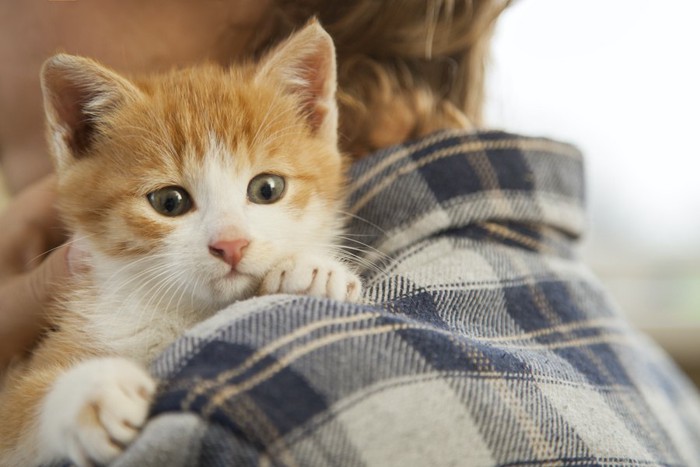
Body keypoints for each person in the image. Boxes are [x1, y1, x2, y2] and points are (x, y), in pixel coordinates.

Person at [3, 1, 700, 465]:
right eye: (170, 199)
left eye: (267, 190)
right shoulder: (652, 374)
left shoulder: (245, 417)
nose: (230, 239)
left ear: (316, 107)